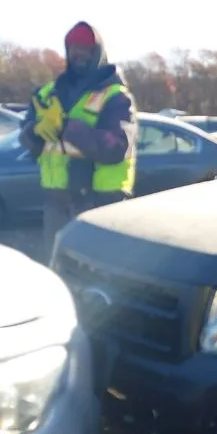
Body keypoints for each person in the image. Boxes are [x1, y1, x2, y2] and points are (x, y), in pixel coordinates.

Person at [19, 21, 137, 261]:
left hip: (100, 205)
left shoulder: (115, 96)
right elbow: (26, 140)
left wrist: (67, 127)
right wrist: (34, 131)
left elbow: (117, 147)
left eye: (85, 47)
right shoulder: (47, 93)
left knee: (96, 273)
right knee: (56, 268)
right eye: (73, 47)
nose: (78, 53)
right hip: (56, 205)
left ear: (98, 52)